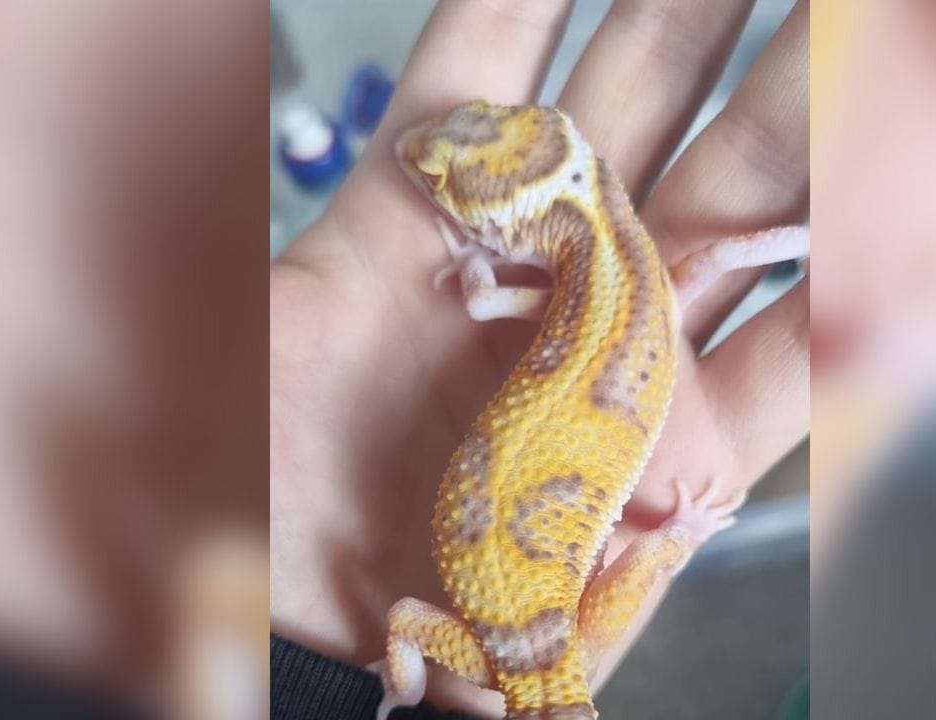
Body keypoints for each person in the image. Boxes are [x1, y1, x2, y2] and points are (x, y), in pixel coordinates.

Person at [269, 1, 809, 718]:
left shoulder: (579, 640)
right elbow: (407, 619)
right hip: (495, 562)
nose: (417, 160)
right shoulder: (623, 284)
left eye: (439, 181)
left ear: (508, 224)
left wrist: (679, 535)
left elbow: (647, 556)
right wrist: (401, 689)